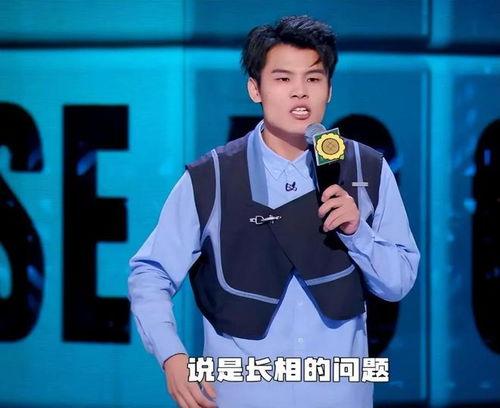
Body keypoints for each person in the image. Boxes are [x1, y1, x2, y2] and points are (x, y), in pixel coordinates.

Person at [128, 15, 420, 408]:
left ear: (329, 89)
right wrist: (171, 355)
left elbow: (398, 282)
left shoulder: (367, 170)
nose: (300, 92)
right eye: (283, 79)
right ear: (255, 89)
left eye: (313, 78)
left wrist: (358, 232)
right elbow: (150, 273)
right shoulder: (211, 177)